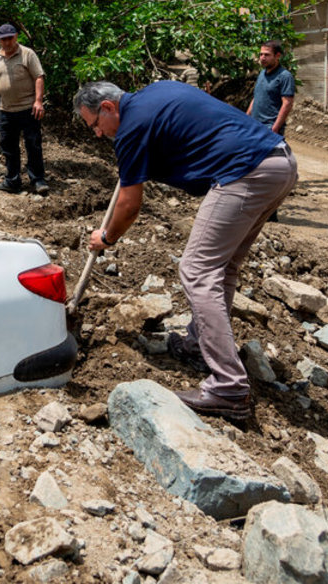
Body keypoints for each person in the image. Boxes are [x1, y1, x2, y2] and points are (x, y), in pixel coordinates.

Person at [75, 80, 297, 421]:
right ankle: (198, 343)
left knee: (197, 270)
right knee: (222, 268)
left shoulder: (132, 127)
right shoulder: (155, 93)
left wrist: (105, 238)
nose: (98, 135)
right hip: (278, 162)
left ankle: (228, 387)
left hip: (245, 172)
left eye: (95, 125)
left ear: (108, 108)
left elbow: (129, 206)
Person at [0, 23, 48, 195]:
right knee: (8, 146)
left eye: (10, 38)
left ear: (16, 37)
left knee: (33, 145)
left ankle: (37, 180)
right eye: (3, 39)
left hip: (28, 108)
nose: (7, 42)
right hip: (6, 110)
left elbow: (39, 77)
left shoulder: (27, 54)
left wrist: (38, 101)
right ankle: (13, 180)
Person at [247, 40, 295, 221]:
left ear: (278, 56)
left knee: (270, 172)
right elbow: (256, 98)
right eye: (261, 54)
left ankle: (271, 213)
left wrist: (274, 129)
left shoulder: (284, 76)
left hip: (270, 130)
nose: (262, 58)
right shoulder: (262, 74)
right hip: (255, 127)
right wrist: (246, 117)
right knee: (254, 170)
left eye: (266, 54)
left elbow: (287, 103)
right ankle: (259, 209)